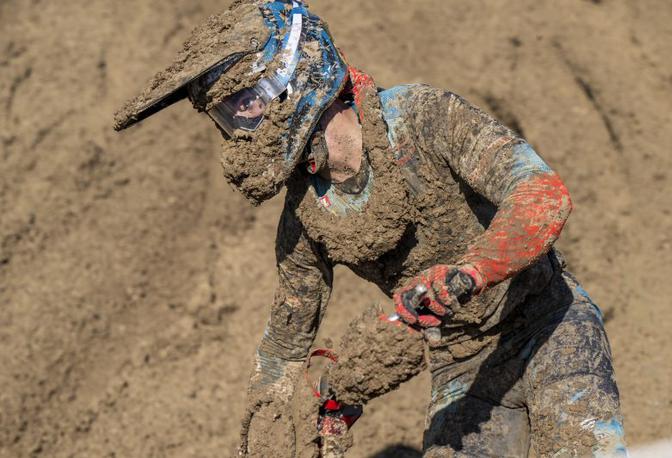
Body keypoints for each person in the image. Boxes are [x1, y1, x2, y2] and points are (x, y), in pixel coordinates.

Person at [114, 1, 627, 456]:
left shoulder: (423, 116)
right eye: (227, 117)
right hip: (461, 366)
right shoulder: (305, 214)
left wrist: (472, 270)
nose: (240, 129)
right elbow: (282, 353)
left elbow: (541, 193)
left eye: (244, 103)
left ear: (293, 75)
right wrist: (304, 414)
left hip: (547, 322)